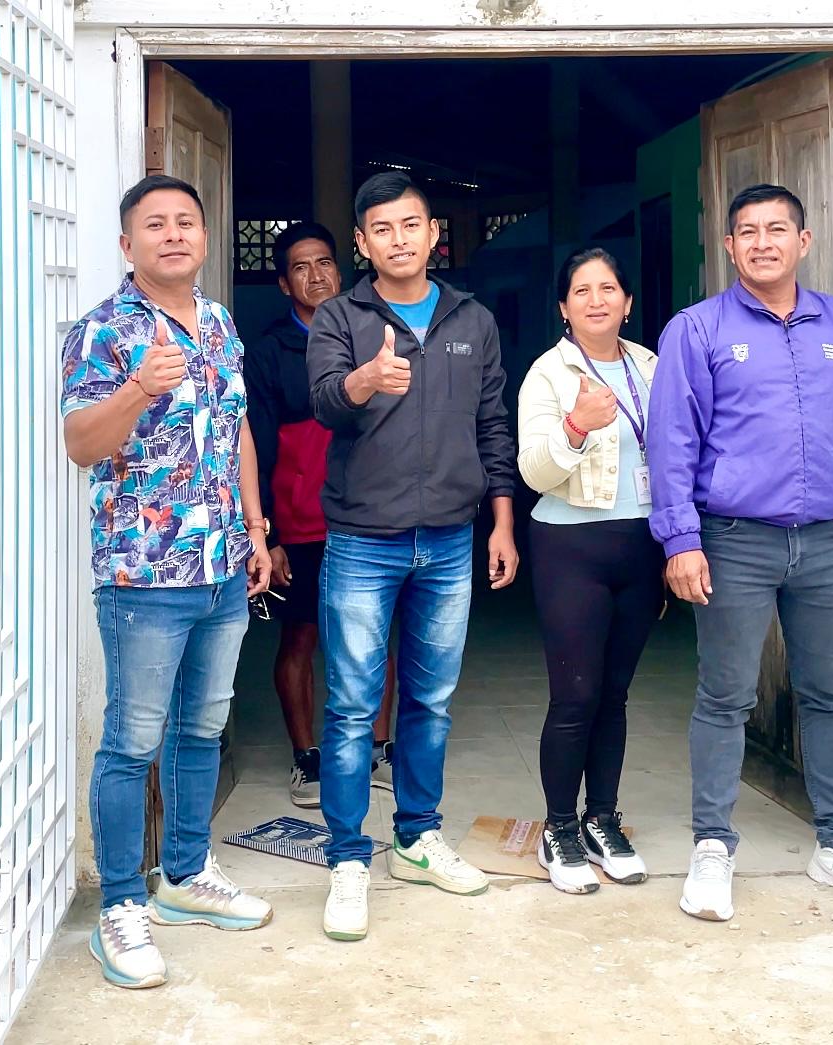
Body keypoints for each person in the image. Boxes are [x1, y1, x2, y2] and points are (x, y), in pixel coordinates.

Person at [647, 184, 833, 922]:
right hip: (733, 542)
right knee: (725, 696)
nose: (763, 242)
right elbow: (671, 441)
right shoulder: (697, 330)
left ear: (804, 242)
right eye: (748, 231)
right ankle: (713, 847)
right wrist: (680, 539)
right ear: (729, 246)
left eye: (778, 229)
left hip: (829, 542)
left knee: (829, 691)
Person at [61, 174, 275, 989]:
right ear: (128, 244)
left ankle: (185, 875)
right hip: (144, 574)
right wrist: (138, 388)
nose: (174, 234)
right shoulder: (104, 329)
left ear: (205, 236)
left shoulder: (219, 322)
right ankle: (121, 904)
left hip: (222, 565)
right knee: (132, 740)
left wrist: (255, 529)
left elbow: (235, 428)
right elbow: (81, 443)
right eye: (155, 224)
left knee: (202, 727)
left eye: (187, 220)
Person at [307, 171, 519, 941]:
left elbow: (493, 424)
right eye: (382, 229)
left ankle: (417, 837)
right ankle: (347, 857)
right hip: (364, 539)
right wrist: (364, 379)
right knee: (352, 706)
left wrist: (502, 523)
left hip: (451, 539)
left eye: (411, 225)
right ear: (362, 244)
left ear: (434, 234)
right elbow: (323, 402)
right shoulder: (340, 315)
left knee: (430, 699)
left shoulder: (473, 318)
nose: (398, 239)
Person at [517, 248, 663, 895]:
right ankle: (558, 827)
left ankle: (602, 818)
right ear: (564, 307)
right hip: (570, 545)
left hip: (641, 544)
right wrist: (576, 426)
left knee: (615, 693)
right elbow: (533, 471)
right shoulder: (548, 375)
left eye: (609, 288)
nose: (596, 300)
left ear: (627, 302)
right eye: (582, 290)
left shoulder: (652, 366)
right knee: (576, 694)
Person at [244, 222, 397, 809]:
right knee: (301, 635)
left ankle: (378, 749)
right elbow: (256, 444)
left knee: (374, 634)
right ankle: (307, 757)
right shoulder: (268, 353)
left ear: (342, 268)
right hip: (301, 522)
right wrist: (269, 534)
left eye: (325, 263)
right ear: (285, 284)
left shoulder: (372, 334)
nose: (316, 276)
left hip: (368, 515)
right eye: (301, 268)